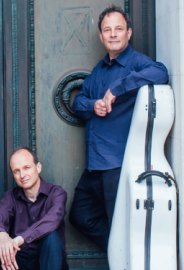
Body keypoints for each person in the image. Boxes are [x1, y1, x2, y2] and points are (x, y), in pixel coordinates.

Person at [69, 5, 169, 252]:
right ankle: (121, 248)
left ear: (129, 33)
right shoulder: (99, 68)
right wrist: (94, 106)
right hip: (94, 165)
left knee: (120, 222)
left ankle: (127, 256)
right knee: (79, 216)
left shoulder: (137, 62)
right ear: (101, 36)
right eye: (107, 30)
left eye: (119, 29)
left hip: (117, 164)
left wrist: (119, 88)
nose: (113, 34)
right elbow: (78, 102)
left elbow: (161, 73)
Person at [0, 147, 69, 270]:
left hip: (48, 261)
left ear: (38, 167)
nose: (22, 175)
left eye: (26, 168)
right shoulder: (10, 197)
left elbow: (53, 218)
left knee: (52, 237)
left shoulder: (56, 193)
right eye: (16, 171)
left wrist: (19, 239)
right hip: (17, 263)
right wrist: (1, 234)